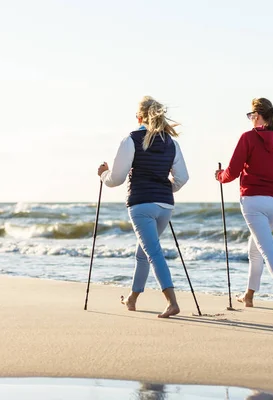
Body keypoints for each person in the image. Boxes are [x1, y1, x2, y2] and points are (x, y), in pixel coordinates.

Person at [97, 96, 189, 318]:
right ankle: (132, 298)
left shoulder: (131, 139)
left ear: (139, 117)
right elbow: (182, 178)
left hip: (141, 204)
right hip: (165, 205)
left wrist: (102, 175)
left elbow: (116, 178)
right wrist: (165, 187)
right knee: (144, 251)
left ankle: (172, 302)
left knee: (153, 252)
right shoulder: (171, 143)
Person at [215, 98, 273, 313]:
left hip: (253, 200)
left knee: (266, 249)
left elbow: (232, 171)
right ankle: (249, 295)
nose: (251, 119)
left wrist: (220, 177)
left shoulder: (248, 138)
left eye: (252, 115)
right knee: (255, 248)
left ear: (259, 116)